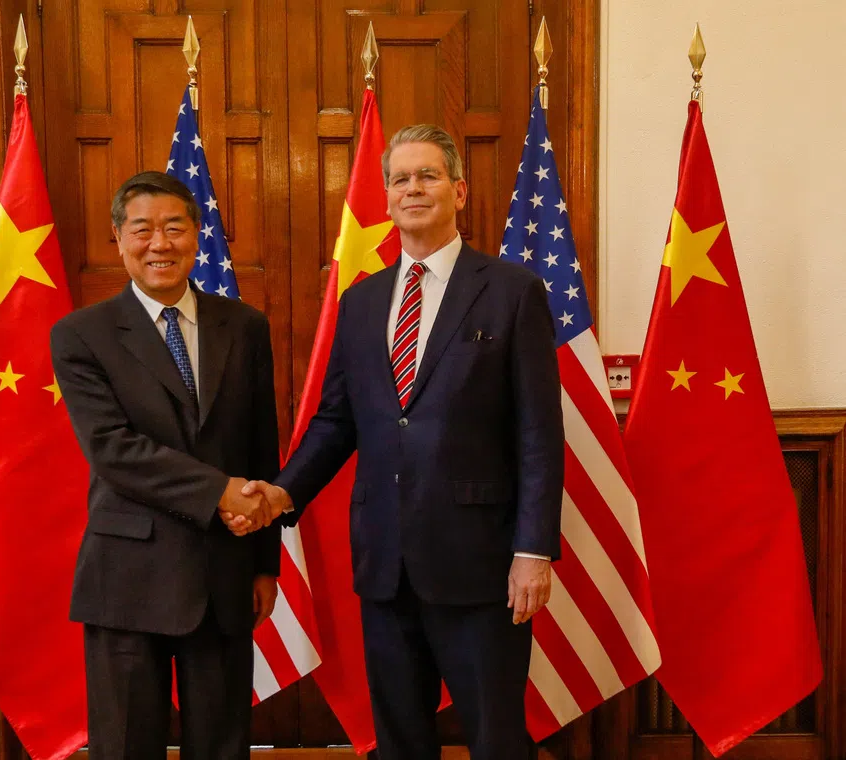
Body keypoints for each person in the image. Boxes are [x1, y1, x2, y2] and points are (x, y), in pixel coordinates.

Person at [240, 125, 565, 760]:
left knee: (497, 739)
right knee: (400, 741)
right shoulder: (360, 302)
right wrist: (281, 493)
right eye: (400, 179)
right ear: (386, 198)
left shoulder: (511, 291)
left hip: (482, 564)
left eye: (427, 176)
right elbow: (337, 421)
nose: (412, 188)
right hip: (386, 562)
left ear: (459, 190)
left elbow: (538, 433)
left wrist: (534, 549)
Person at [50, 171, 282, 760]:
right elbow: (112, 448)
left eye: (175, 227)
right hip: (128, 577)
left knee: (223, 745)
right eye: (143, 229)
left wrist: (265, 562)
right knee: (127, 746)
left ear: (197, 235)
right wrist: (222, 492)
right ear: (118, 238)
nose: (160, 243)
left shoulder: (245, 327)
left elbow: (261, 447)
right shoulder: (82, 335)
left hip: (224, 573)